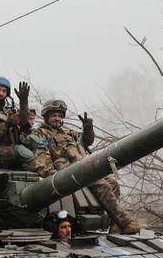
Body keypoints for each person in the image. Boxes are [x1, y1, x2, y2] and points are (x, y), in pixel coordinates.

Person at [28, 99, 141, 234]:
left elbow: (87, 141)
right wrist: (53, 178)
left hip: (80, 170)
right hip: (64, 174)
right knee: (101, 184)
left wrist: (88, 128)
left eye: (59, 116)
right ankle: (126, 222)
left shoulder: (68, 134)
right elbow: (41, 158)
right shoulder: (40, 133)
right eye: (53, 116)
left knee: (113, 183)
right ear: (46, 117)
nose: (57, 119)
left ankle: (115, 224)